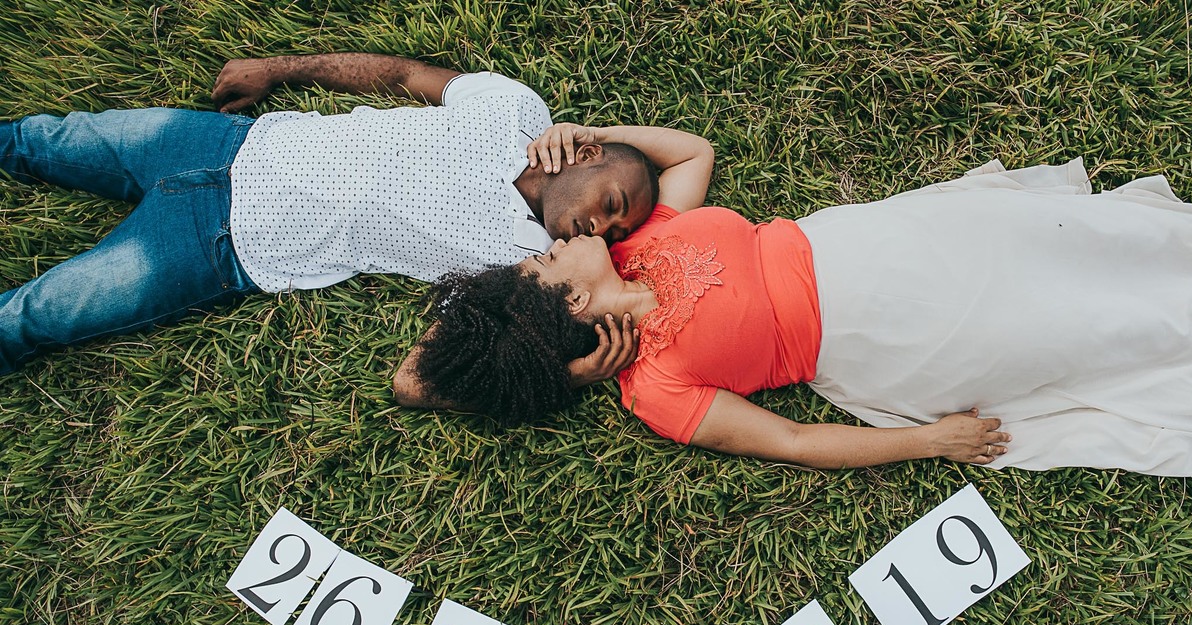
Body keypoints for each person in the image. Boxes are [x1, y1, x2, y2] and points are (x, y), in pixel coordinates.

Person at [395, 132, 1192, 478]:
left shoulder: (642, 238)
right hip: (883, 335)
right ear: (570, 298)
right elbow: (793, 440)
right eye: (546, 257)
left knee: (1067, 247)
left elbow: (691, 151)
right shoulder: (654, 387)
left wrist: (590, 135)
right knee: (1077, 327)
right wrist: (930, 442)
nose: (557, 237)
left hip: (875, 244)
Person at [0, 53, 712, 377]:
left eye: (616, 232)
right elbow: (403, 75)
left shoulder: (524, 264)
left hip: (223, 244)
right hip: (222, 140)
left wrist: (573, 373)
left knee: (34, 315)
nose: (603, 231)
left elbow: (449, 372)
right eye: (611, 204)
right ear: (584, 152)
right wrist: (279, 68)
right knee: (37, 140)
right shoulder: (516, 109)